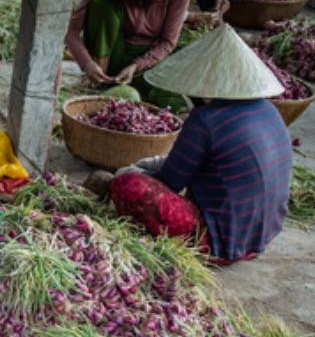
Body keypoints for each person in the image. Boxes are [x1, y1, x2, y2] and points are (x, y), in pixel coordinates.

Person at [94, 25, 292, 265]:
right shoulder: (268, 110)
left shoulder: (205, 120)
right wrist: (156, 163)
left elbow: (171, 182)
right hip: (259, 238)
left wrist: (132, 172)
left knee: (129, 186)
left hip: (218, 243)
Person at [64, 0, 190, 109]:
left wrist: (136, 66)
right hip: (115, 49)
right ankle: (100, 78)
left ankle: (130, 84)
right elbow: (71, 30)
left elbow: (168, 42)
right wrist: (87, 64)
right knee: (104, 0)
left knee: (171, 98)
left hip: (149, 57)